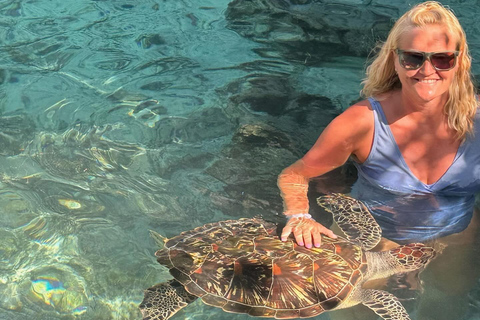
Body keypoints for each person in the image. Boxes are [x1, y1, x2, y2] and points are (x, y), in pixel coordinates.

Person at [277, 1, 480, 319]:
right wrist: (300, 215)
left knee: (448, 305)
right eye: (413, 58)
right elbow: (295, 175)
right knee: (356, 314)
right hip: (369, 243)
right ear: (394, 60)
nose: (427, 71)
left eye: (442, 58)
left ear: (460, 61)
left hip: (453, 236)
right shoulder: (362, 122)